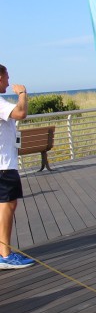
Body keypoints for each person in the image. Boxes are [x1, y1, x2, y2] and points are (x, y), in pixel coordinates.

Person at [0, 65, 35, 269]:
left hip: (4, 164)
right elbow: (21, 112)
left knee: (4, 206)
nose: (8, 81)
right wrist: (22, 94)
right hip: (4, 166)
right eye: (6, 77)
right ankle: (5, 255)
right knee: (7, 206)